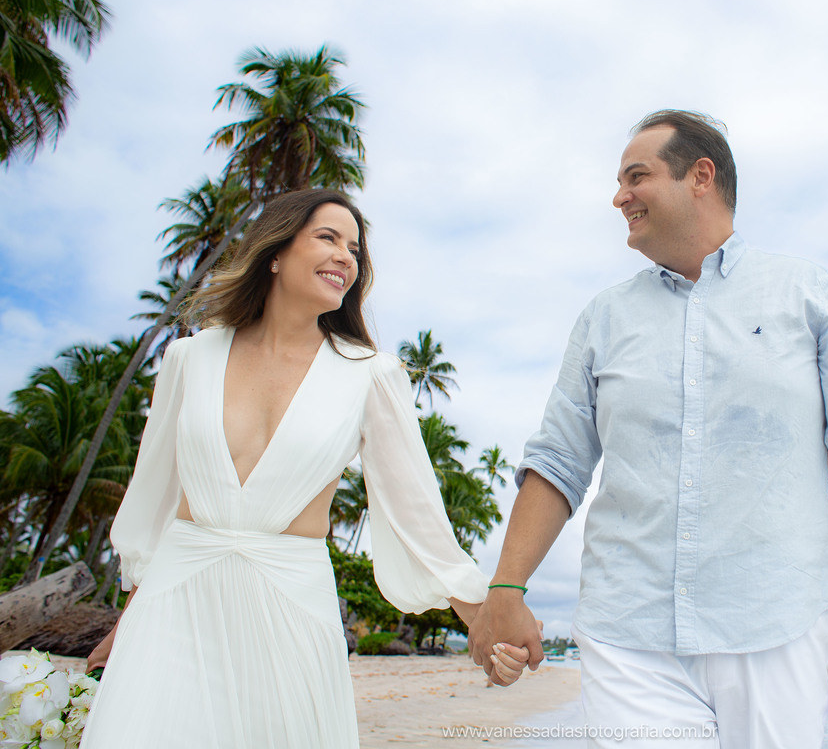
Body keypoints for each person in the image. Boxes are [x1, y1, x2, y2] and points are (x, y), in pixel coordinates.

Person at [468, 111, 828, 748]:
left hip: (778, 619)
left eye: (635, 176)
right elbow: (559, 462)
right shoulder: (603, 319)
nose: (618, 196)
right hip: (628, 627)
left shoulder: (813, 297)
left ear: (700, 175)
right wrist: (506, 588)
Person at [82, 189, 527, 748]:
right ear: (275, 251)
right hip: (173, 604)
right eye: (328, 238)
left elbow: (417, 517)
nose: (347, 256)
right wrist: (127, 622)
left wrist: (481, 619)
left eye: (355, 249)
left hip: (290, 609)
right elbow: (152, 499)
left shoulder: (370, 374)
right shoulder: (187, 358)